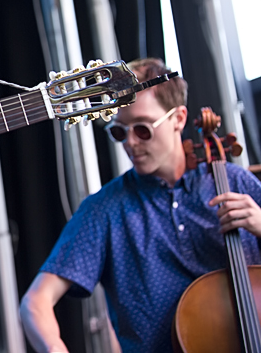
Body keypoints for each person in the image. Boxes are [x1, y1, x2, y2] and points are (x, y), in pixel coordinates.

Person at [19, 57, 261, 353]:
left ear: (178, 118)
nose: (130, 143)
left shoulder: (235, 182)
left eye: (143, 129)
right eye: (120, 131)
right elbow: (36, 303)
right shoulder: (103, 210)